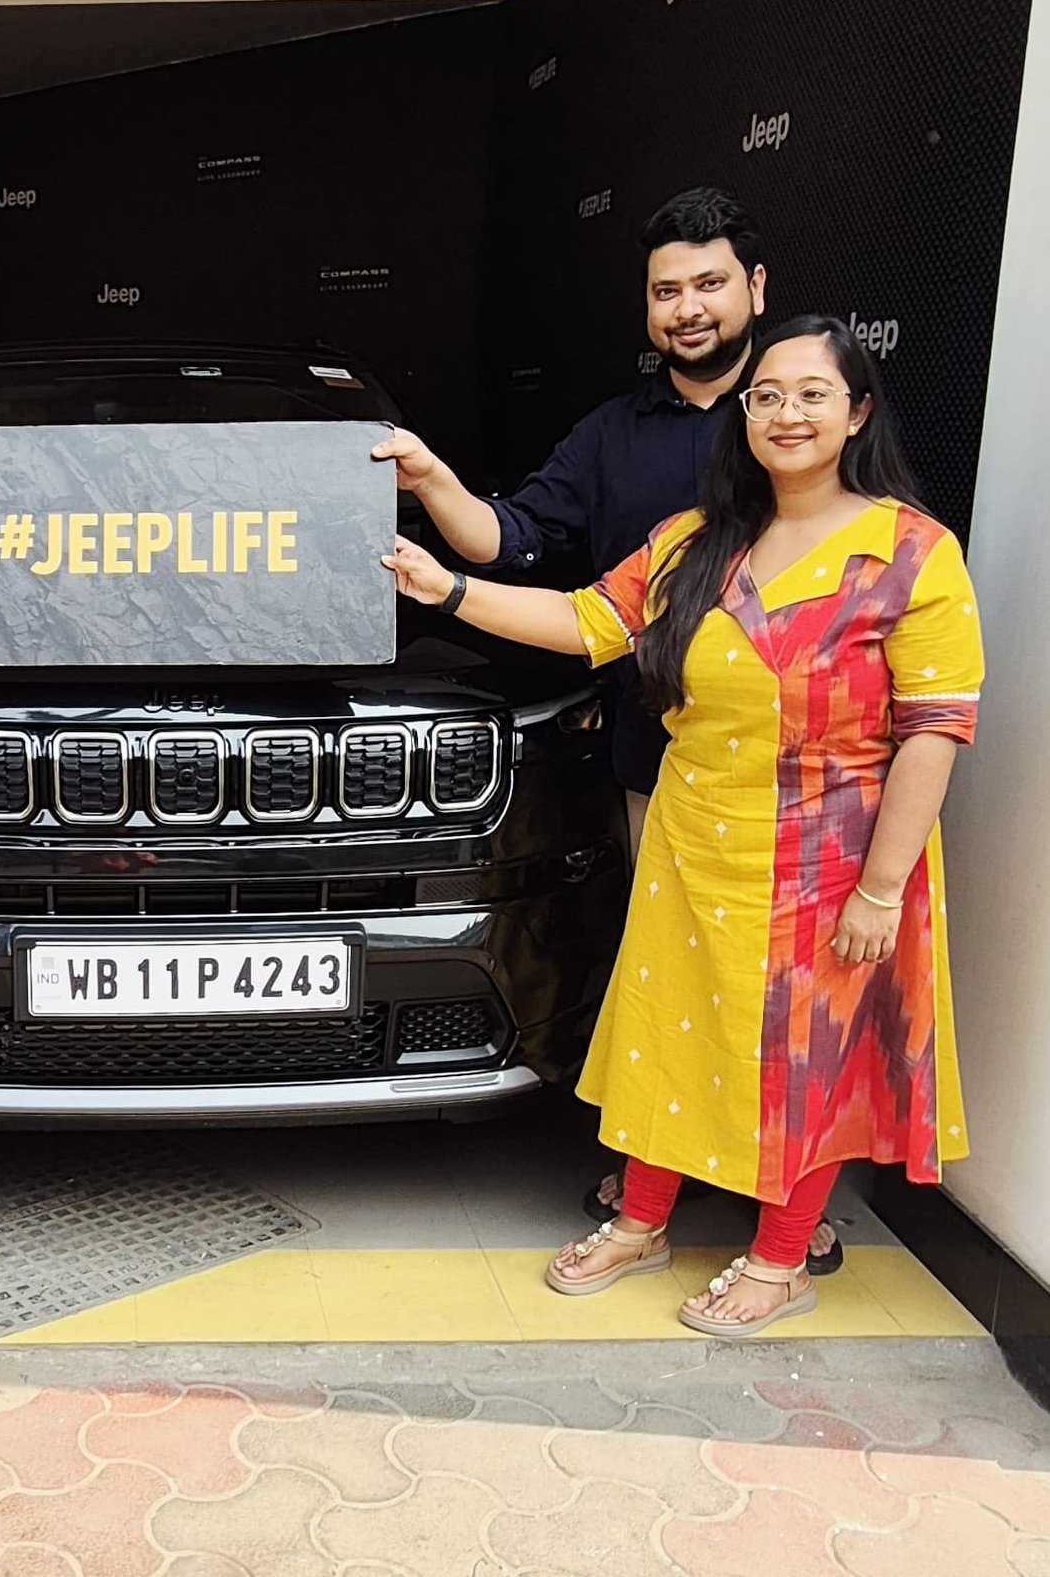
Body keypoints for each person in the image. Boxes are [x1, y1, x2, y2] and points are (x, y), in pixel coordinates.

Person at [381, 315, 981, 1336]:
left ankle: (781, 1258)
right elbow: (586, 622)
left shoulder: (910, 553)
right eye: (766, 396)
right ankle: (641, 1221)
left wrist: (881, 889)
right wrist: (448, 589)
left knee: (808, 1055)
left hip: (832, 854)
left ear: (856, 413)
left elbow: (933, 729)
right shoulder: (695, 540)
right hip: (692, 834)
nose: (785, 414)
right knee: (667, 1027)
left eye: (811, 395)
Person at [373, 186, 846, 1271]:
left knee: (790, 994)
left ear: (755, 288)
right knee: (675, 975)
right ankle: (658, 1178)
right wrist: (432, 483)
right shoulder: (612, 436)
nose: (688, 308)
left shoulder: (790, 426)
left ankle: (778, 1194)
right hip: (662, 762)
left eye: (709, 283)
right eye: (665, 290)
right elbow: (517, 543)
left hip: (808, 780)